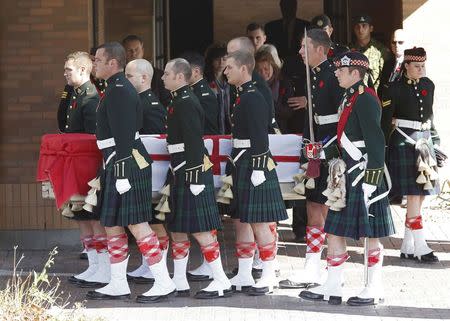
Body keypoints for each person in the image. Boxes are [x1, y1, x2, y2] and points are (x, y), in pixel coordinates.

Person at [300, 52, 395, 306]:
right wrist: (320, 153)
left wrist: (371, 181)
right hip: (346, 175)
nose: (337, 73)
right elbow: (345, 139)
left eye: (342, 70)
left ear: (356, 73)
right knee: (333, 230)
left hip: (363, 176)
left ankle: (374, 286)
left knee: (372, 234)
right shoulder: (350, 96)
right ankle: (333, 285)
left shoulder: (366, 99)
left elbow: (375, 141)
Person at [87, 42, 176, 303]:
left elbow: (125, 133)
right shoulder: (115, 88)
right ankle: (117, 283)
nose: (95, 65)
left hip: (124, 162)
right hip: (116, 161)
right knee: (112, 223)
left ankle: (163, 281)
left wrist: (123, 171)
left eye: (98, 61)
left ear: (112, 63)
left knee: (137, 223)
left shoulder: (119, 91)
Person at [161, 58, 232, 299]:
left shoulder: (186, 102)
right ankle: (179, 280)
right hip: (181, 169)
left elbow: (193, 141)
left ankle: (220, 279)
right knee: (177, 227)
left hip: (190, 171)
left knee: (201, 229)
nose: (162, 78)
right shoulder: (179, 100)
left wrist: (194, 178)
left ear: (180, 77)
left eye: (167, 74)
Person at [280, 29, 343, 289]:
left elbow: (342, 120)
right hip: (313, 150)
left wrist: (326, 150)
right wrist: (308, 153)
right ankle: (311, 265)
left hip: (329, 151)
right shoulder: (312, 75)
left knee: (327, 210)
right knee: (312, 207)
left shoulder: (333, 76)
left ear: (320, 49)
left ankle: (332, 267)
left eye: (305, 47)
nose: (300, 52)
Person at [224, 50, 287, 296]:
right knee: (246, 219)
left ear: (243, 69)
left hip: (253, 162)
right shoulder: (243, 95)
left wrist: (259, 167)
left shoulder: (253, 96)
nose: (225, 71)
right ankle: (244, 272)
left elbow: (261, 135)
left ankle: (269, 275)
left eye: (229, 67)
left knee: (260, 222)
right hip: (244, 161)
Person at [381, 47, 439, 263]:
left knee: (421, 194)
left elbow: (431, 115)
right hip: (404, 142)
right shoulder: (393, 89)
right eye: (416, 66)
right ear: (406, 66)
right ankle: (421, 245)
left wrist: (436, 141)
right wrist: (383, 150)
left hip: (424, 141)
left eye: (423, 66)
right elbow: (385, 122)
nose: (421, 70)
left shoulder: (428, 85)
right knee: (414, 194)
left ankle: (407, 244)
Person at [61, 51, 110, 288]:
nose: (65, 74)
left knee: (93, 216)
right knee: (81, 216)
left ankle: (104, 268)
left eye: (68, 70)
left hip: (87, 166)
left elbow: (93, 139)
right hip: (76, 165)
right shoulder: (76, 94)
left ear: (83, 70)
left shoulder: (90, 97)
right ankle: (94, 267)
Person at [124, 58, 169, 284]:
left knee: (154, 220)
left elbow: (156, 142)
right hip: (143, 172)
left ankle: (156, 266)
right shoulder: (138, 102)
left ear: (144, 78)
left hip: (151, 174)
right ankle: (147, 264)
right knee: (149, 220)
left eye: (129, 76)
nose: (125, 80)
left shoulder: (148, 105)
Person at [227, 37, 280, 134]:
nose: (228, 58)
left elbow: (264, 125)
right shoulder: (235, 83)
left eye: (233, 54)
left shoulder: (258, 86)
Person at [122, 35, 171, 107]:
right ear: (124, 53)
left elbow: (166, 102)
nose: (134, 54)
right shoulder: (120, 75)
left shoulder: (158, 75)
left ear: (143, 51)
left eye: (137, 49)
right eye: (129, 50)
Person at [254, 49, 294, 134]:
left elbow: (287, 112)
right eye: (259, 70)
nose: (263, 73)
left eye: (266, 69)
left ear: (273, 66)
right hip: (258, 133)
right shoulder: (251, 86)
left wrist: (267, 99)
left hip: (280, 133)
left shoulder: (284, 83)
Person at [180, 51, 220, 135]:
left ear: (196, 72)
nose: (181, 74)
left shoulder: (205, 95)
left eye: (184, 71)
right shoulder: (189, 91)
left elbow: (208, 128)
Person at [349, 15, 389, 92]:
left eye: (364, 26)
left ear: (371, 28)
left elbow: (386, 75)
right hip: (354, 94)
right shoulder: (348, 50)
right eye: (357, 27)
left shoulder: (381, 50)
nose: (360, 30)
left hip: (375, 95)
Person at [204, 43, 231, 134]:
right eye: (217, 59)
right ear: (211, 60)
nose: (221, 63)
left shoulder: (232, 80)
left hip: (230, 128)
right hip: (211, 129)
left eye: (224, 59)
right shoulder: (205, 81)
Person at [378, 29, 409, 98]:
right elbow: (381, 88)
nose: (396, 45)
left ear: (407, 44)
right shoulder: (387, 63)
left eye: (400, 42)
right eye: (393, 42)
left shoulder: (411, 65)